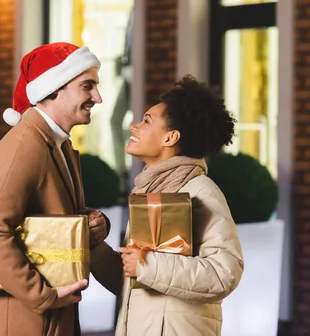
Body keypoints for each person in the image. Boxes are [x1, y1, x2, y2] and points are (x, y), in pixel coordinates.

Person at [0, 42, 109, 336]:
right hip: (25, 320)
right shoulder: (24, 147)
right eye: (87, 86)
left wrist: (91, 223)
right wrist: (42, 295)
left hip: (47, 317)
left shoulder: (58, 146)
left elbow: (49, 218)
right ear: (55, 88)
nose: (98, 97)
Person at [91, 75, 244, 336]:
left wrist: (146, 265)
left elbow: (224, 274)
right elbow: (134, 281)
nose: (133, 126)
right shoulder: (148, 191)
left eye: (146, 121)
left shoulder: (201, 192)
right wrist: (94, 246)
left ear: (170, 137)